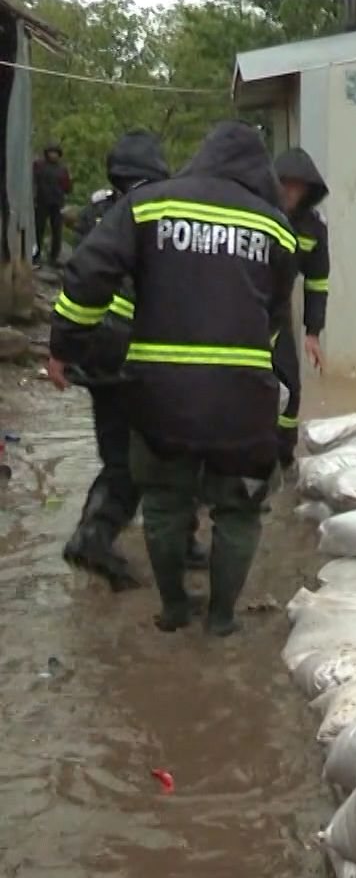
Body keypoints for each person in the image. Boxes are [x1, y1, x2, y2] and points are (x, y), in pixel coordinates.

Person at [49, 121, 296, 635]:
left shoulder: (148, 207)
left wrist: (64, 347)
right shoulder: (276, 227)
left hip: (159, 392)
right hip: (240, 398)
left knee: (162, 498)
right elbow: (273, 316)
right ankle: (223, 619)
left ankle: (175, 611)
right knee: (239, 506)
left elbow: (88, 272)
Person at [54, 131, 171, 592]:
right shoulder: (152, 216)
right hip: (136, 354)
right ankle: (102, 537)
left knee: (118, 453)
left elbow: (80, 280)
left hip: (94, 355)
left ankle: (95, 533)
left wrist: (61, 349)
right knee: (164, 451)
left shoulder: (96, 211)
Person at [272, 147, 330, 467]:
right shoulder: (258, 213)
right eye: (286, 184)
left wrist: (313, 332)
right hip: (242, 309)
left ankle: (283, 456)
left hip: (278, 316)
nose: (292, 192)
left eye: (299, 186)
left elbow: (317, 281)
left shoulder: (312, 227)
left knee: (290, 387)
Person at [32, 144, 71, 266]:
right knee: (38, 229)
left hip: (57, 203)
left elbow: (67, 187)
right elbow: (33, 181)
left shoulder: (62, 169)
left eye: (55, 153)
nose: (53, 155)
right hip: (41, 202)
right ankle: (36, 255)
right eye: (51, 152)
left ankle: (54, 257)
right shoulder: (39, 166)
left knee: (57, 231)